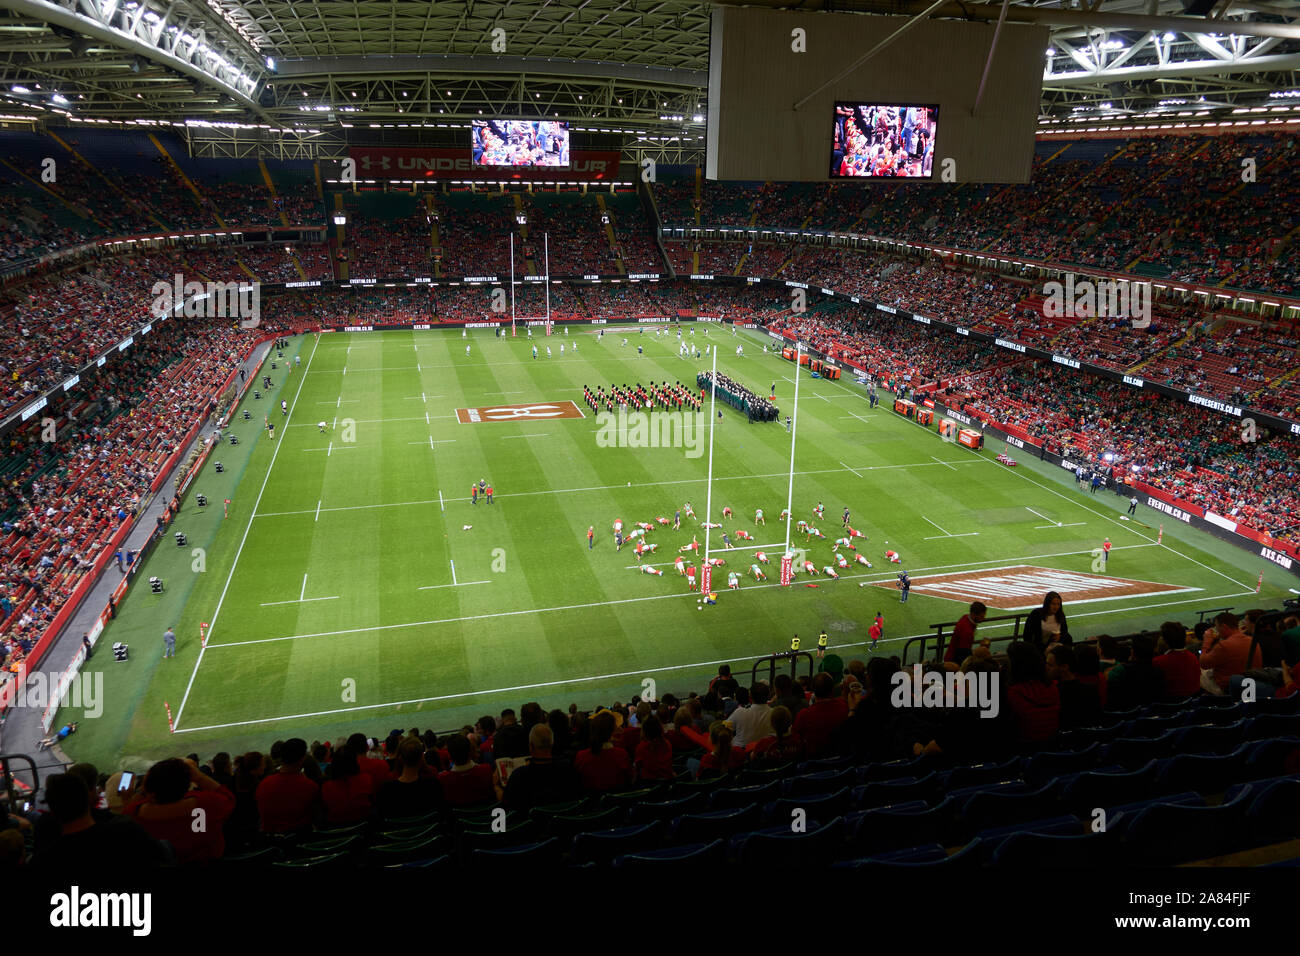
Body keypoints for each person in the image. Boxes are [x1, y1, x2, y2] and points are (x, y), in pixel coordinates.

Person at [124, 758, 236, 863]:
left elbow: (129, 809)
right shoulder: (208, 802)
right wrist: (199, 776)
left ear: (148, 787)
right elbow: (228, 798)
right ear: (188, 785)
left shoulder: (133, 813)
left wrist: (144, 788)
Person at [1200, 611, 1263, 694]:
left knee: (1199, 672)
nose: (1217, 630)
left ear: (1224, 627)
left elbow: (1203, 663)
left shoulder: (1224, 646)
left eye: (1217, 627)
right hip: (1251, 684)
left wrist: (1206, 642)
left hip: (1229, 688)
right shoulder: (1252, 640)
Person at [1152, 621, 1201, 700]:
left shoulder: (1158, 662)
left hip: (1169, 705)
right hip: (1191, 702)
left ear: (1164, 641)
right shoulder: (1193, 657)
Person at [945, 601, 987, 667]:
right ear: (974, 614)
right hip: (955, 663)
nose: (984, 618)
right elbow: (963, 653)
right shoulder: (967, 631)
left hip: (951, 658)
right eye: (981, 616)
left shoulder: (965, 618)